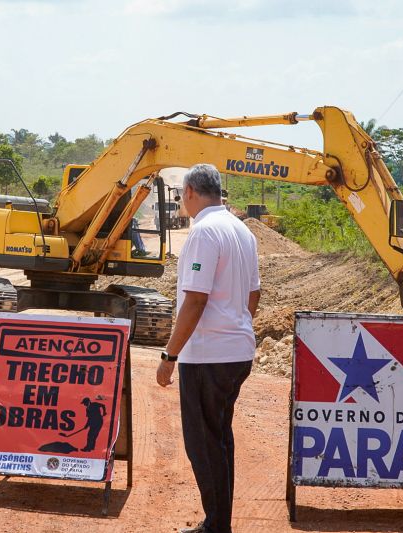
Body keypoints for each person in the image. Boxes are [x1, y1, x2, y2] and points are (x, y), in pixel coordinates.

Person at [157, 164, 260, 533]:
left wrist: (170, 354)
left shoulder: (203, 232)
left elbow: (196, 300)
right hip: (237, 351)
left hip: (208, 355)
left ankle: (217, 527)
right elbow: (254, 293)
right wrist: (236, 327)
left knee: (203, 443)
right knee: (219, 438)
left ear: (188, 193)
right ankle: (219, 523)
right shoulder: (242, 231)